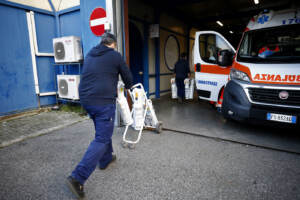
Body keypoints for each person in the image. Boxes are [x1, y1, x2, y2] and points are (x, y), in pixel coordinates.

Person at [66, 33, 133, 198]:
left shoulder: (90, 53)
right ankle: (77, 178)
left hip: (86, 100)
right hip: (102, 101)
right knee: (102, 138)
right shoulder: (115, 56)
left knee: (103, 130)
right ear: (113, 44)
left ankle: (105, 159)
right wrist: (130, 87)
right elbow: (128, 78)